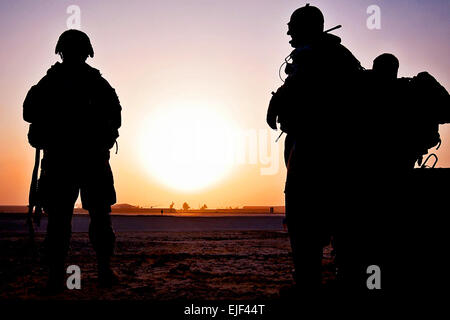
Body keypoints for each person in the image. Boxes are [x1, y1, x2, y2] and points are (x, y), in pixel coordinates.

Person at [266, 4, 362, 293]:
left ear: (306, 27)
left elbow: (307, 97)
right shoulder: (337, 56)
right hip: (328, 153)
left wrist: (281, 100)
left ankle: (309, 286)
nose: (288, 31)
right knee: (336, 224)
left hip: (314, 154)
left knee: (304, 223)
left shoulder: (315, 57)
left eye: (293, 25)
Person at [23, 29, 122, 292]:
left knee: (83, 219)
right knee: (71, 220)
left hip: (75, 161)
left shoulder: (60, 81)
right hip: (75, 161)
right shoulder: (63, 80)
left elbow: (115, 115)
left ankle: (83, 273)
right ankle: (85, 273)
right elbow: (29, 111)